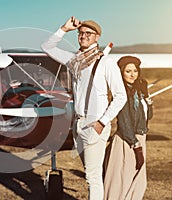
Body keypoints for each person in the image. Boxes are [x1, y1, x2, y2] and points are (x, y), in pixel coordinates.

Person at [41, 16, 127, 200]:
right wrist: (64, 28)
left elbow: (121, 96)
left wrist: (102, 122)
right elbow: (47, 47)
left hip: (95, 124)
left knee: (92, 177)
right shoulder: (74, 60)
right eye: (81, 33)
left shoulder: (106, 63)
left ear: (97, 37)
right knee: (90, 171)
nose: (83, 36)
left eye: (89, 33)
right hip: (78, 124)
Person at [103, 56, 153, 200]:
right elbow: (124, 122)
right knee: (121, 179)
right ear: (121, 73)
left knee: (137, 179)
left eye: (135, 71)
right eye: (128, 71)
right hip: (127, 140)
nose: (132, 75)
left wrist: (148, 101)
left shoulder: (139, 91)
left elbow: (148, 117)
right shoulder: (121, 93)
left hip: (140, 137)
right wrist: (135, 145)